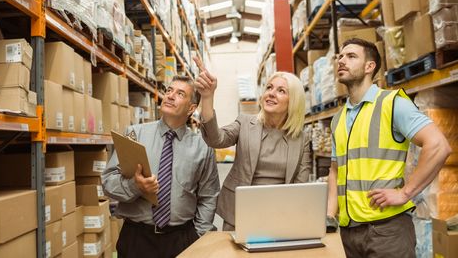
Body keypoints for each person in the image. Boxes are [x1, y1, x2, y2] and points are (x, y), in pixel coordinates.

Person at [327, 38, 451, 257]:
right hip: (349, 233)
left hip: (386, 231)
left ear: (369, 67)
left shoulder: (392, 103)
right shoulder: (338, 119)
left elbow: (439, 145)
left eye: (351, 56)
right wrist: (329, 216)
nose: (342, 60)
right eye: (340, 56)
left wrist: (405, 193)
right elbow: (335, 170)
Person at [102, 75, 220, 258]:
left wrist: (198, 234)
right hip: (137, 238)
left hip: (181, 239)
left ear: (191, 108)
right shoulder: (135, 134)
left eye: (180, 93)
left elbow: (209, 196)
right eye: (169, 90)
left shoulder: (202, 147)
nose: (170, 96)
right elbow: (108, 183)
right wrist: (135, 186)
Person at [193, 56, 311, 231]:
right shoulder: (245, 123)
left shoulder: (302, 139)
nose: (271, 93)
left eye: (281, 91)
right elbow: (215, 139)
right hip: (240, 212)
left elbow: (301, 186)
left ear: (293, 101)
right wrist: (207, 97)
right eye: (269, 87)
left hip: (280, 215)